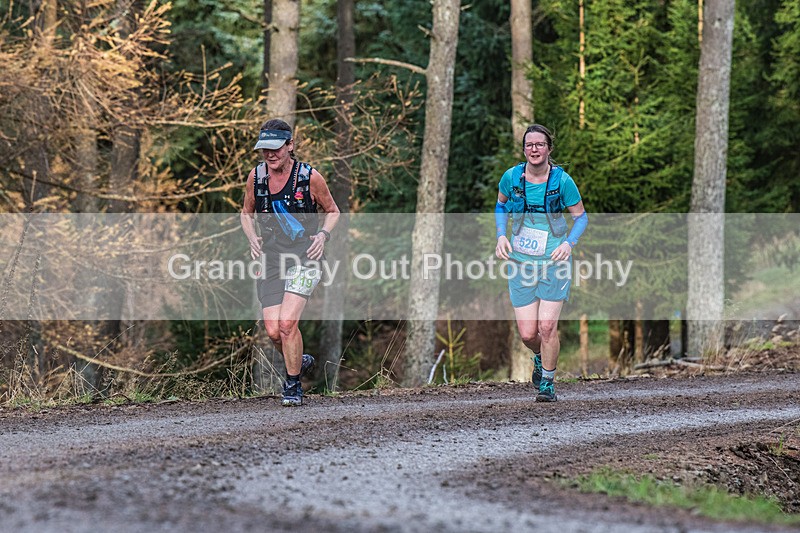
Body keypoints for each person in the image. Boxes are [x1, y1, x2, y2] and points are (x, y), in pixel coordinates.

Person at [241, 119, 340, 406]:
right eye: (265, 150)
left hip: (305, 256)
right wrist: (251, 237)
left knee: (287, 324)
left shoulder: (309, 177)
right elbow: (246, 213)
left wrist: (323, 235)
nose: (270, 155)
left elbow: (333, 211)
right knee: (274, 331)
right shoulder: (256, 177)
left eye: (276, 149)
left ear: (290, 145)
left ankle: (293, 385)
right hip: (272, 259)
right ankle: (300, 359)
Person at [494, 124, 588, 402]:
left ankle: (547, 382)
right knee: (527, 333)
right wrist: (501, 236)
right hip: (520, 262)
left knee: (547, 327)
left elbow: (581, 217)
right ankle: (539, 356)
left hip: (553, 261)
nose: (534, 149)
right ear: (524, 150)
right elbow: (500, 205)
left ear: (549, 149)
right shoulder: (511, 178)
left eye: (540, 144)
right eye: (529, 145)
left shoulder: (562, 181)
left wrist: (568, 244)